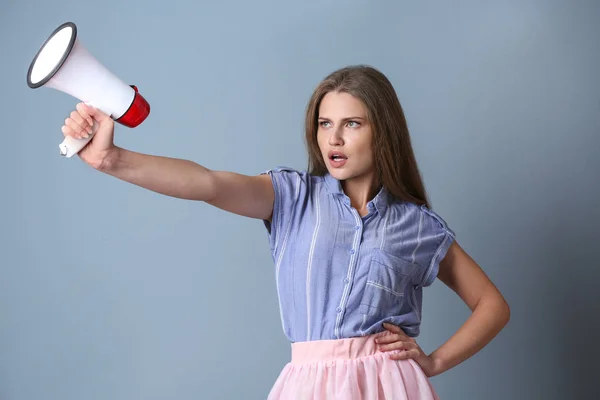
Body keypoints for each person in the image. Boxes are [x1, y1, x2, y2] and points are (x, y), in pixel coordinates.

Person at [61, 65, 510, 399]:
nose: (333, 138)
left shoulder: (417, 227)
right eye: (324, 123)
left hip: (390, 385)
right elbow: (209, 184)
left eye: (351, 123)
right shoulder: (293, 197)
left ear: (383, 131)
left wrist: (433, 362)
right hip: (308, 383)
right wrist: (111, 160)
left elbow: (492, 306)